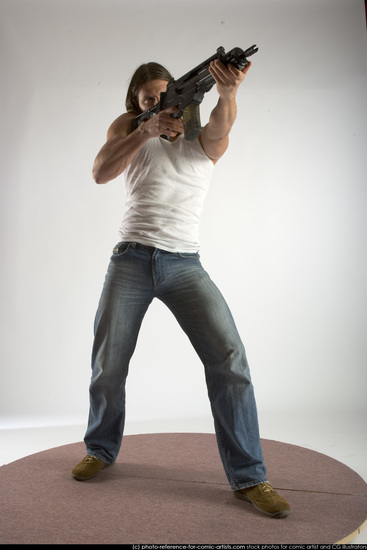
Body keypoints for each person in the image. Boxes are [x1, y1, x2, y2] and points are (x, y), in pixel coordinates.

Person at [71, 54, 291, 519]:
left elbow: (220, 127)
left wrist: (229, 92)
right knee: (108, 363)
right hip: (130, 258)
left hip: (184, 264)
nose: (155, 102)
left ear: (181, 97)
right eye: (147, 98)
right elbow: (100, 172)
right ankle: (100, 449)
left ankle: (250, 477)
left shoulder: (201, 138)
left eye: (162, 95)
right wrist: (145, 129)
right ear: (137, 102)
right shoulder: (131, 130)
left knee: (230, 359)